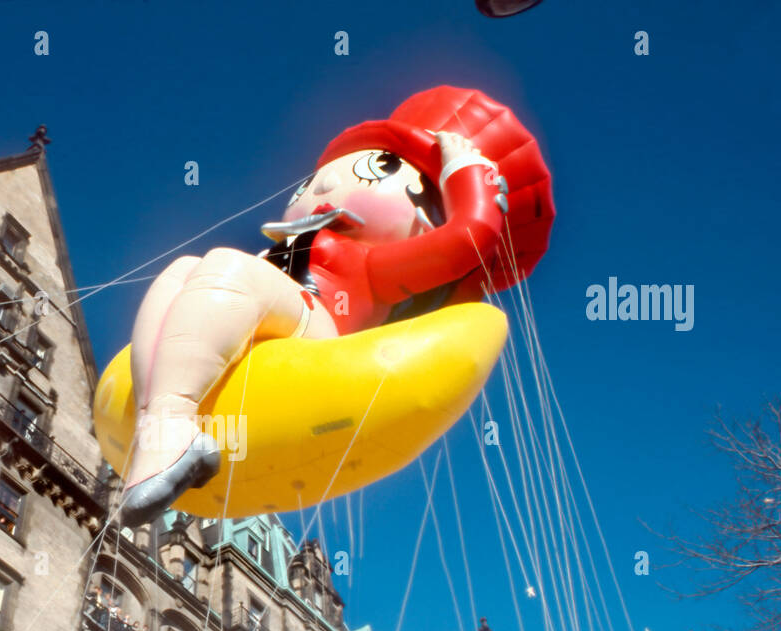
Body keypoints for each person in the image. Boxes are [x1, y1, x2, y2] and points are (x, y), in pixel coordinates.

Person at [118, 86, 553, 525]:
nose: (324, 183)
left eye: (376, 169)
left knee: (229, 266)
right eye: (316, 177)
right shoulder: (282, 249)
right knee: (182, 268)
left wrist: (466, 173)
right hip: (257, 322)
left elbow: (468, 240)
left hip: (314, 328)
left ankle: (173, 421)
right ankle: (155, 421)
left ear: (425, 219)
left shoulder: (371, 264)